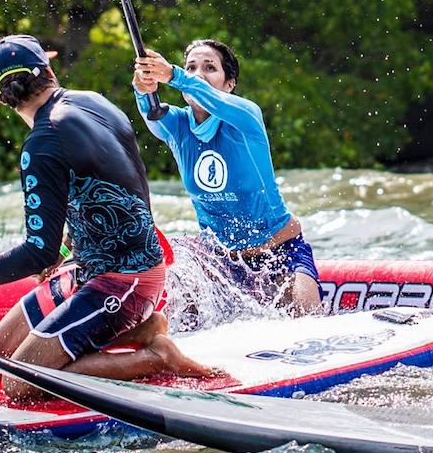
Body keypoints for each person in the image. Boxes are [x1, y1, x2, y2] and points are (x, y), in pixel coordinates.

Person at [0, 35, 215, 399]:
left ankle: (156, 356)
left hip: (127, 281)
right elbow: (114, 183)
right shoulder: (94, 101)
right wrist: (67, 245)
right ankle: (140, 332)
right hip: (89, 267)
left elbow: (38, 253)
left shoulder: (42, 143)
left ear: (0, 98)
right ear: (49, 71)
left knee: (19, 383)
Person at [132, 40, 321, 315]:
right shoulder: (176, 125)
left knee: (310, 320)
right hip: (221, 263)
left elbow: (202, 92)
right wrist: (143, 88)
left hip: (281, 253)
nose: (198, 74)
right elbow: (150, 111)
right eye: (191, 67)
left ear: (229, 84)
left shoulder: (245, 116)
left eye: (210, 68)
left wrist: (175, 75)